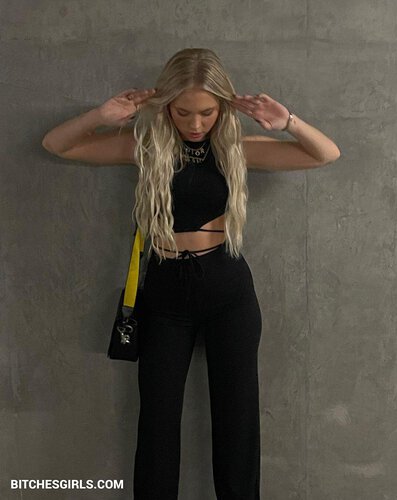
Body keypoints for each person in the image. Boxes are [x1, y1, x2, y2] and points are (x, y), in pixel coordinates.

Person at [42, 47, 340, 500]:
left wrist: (289, 122)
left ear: (222, 108)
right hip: (164, 292)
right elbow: (58, 144)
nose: (196, 124)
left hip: (227, 291)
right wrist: (101, 115)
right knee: (157, 425)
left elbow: (325, 154)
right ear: (166, 106)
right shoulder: (146, 147)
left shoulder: (236, 149)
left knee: (238, 423)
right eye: (183, 112)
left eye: (207, 112)